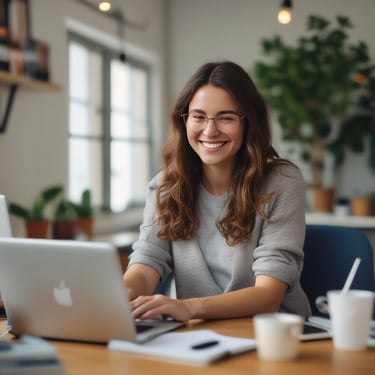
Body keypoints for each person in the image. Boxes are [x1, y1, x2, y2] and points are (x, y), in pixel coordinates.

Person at [124, 61, 311, 322]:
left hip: (275, 336)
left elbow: (269, 296)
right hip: (202, 336)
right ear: (184, 120)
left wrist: (189, 307)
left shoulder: (282, 182)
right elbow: (147, 263)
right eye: (198, 116)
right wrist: (121, 294)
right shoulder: (165, 186)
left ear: (248, 123)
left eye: (226, 117)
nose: (210, 131)